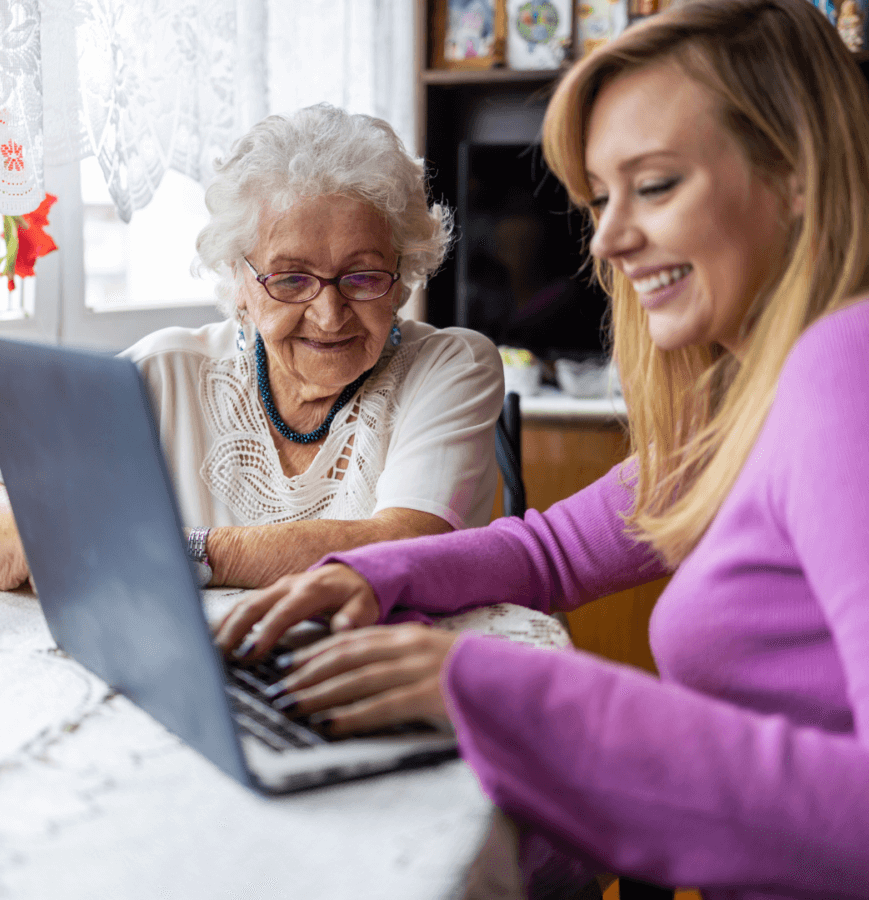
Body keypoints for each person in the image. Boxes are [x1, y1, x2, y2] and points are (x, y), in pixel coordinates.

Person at [215, 0, 869, 896]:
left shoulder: (846, 368)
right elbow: (554, 551)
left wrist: (489, 688)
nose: (607, 237)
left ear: (796, 171)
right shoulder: (748, 400)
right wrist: (371, 576)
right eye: (601, 198)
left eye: (657, 185)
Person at [0, 104, 504, 591]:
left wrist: (172, 554)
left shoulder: (451, 367)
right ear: (238, 281)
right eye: (290, 279)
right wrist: (61, 540)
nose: (329, 316)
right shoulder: (162, 375)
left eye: (362, 277)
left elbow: (405, 547)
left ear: (403, 278)